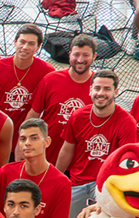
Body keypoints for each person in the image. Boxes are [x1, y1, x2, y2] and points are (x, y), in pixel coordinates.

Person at [57, 71, 137, 218]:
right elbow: (67, 150)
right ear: (90, 90)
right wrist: (57, 178)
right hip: (77, 181)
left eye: (107, 89)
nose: (101, 93)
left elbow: (125, 163)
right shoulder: (78, 115)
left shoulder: (126, 122)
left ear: (116, 92)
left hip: (105, 184)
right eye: (97, 88)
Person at [0, 119, 70, 218]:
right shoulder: (6, 172)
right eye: (23, 139)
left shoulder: (62, 183)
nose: (27, 143)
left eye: (34, 138)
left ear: (46, 142)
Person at [26, 35, 96, 164]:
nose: (80, 60)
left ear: (94, 57)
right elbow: (34, 114)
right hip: (46, 157)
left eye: (85, 55)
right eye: (76, 55)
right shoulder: (51, 80)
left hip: (79, 162)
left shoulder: (99, 87)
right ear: (69, 55)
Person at [0, 25, 53, 135]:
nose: (25, 47)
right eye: (22, 42)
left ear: (38, 47)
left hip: (24, 134)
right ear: (15, 42)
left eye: (31, 44)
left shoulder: (47, 72)